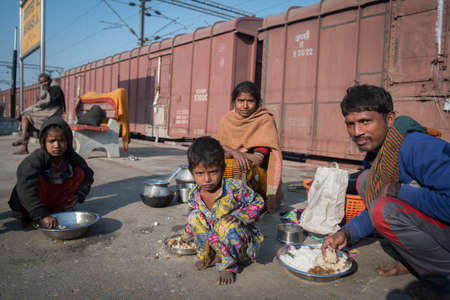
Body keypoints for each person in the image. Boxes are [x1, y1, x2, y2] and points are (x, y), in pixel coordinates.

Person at [322, 85, 449, 296]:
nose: (357, 132)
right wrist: (347, 232)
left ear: (389, 119)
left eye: (365, 121)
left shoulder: (419, 147)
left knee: (385, 210)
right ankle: (416, 263)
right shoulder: (377, 156)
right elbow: (374, 203)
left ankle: (444, 280)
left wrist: (400, 191)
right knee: (366, 182)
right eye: (350, 124)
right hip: (437, 229)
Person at [182, 136, 265, 285]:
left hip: (241, 245)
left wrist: (241, 216)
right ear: (192, 172)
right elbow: (193, 223)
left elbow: (258, 203)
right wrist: (184, 236)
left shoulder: (235, 188)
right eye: (200, 173)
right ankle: (208, 256)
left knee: (226, 224)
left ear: (223, 169)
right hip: (217, 243)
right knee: (194, 216)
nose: (207, 179)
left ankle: (228, 265)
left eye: (213, 172)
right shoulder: (194, 195)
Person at [9, 116, 94, 229]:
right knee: (32, 179)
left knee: (80, 172)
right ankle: (34, 213)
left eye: (61, 140)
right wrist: (42, 215)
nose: (57, 145)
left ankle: (56, 208)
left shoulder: (72, 157)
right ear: (44, 142)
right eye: (52, 141)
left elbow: (88, 176)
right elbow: (25, 187)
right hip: (27, 205)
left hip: (51, 199)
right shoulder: (36, 159)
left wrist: (79, 195)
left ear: (68, 141)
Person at [216, 81, 282, 213]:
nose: (245, 106)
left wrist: (237, 154)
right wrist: (234, 152)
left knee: (234, 165)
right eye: (241, 101)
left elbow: (258, 160)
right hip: (238, 172)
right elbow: (219, 149)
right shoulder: (227, 120)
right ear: (234, 101)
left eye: (250, 101)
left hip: (258, 176)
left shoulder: (263, 120)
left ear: (258, 102)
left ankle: (247, 200)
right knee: (217, 164)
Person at [12, 73, 66, 155]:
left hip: (52, 112)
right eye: (41, 82)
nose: (44, 84)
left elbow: (50, 102)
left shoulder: (54, 88)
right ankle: (24, 147)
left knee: (26, 116)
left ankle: (23, 139)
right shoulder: (47, 88)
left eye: (45, 81)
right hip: (47, 110)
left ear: (49, 80)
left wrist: (37, 106)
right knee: (26, 119)